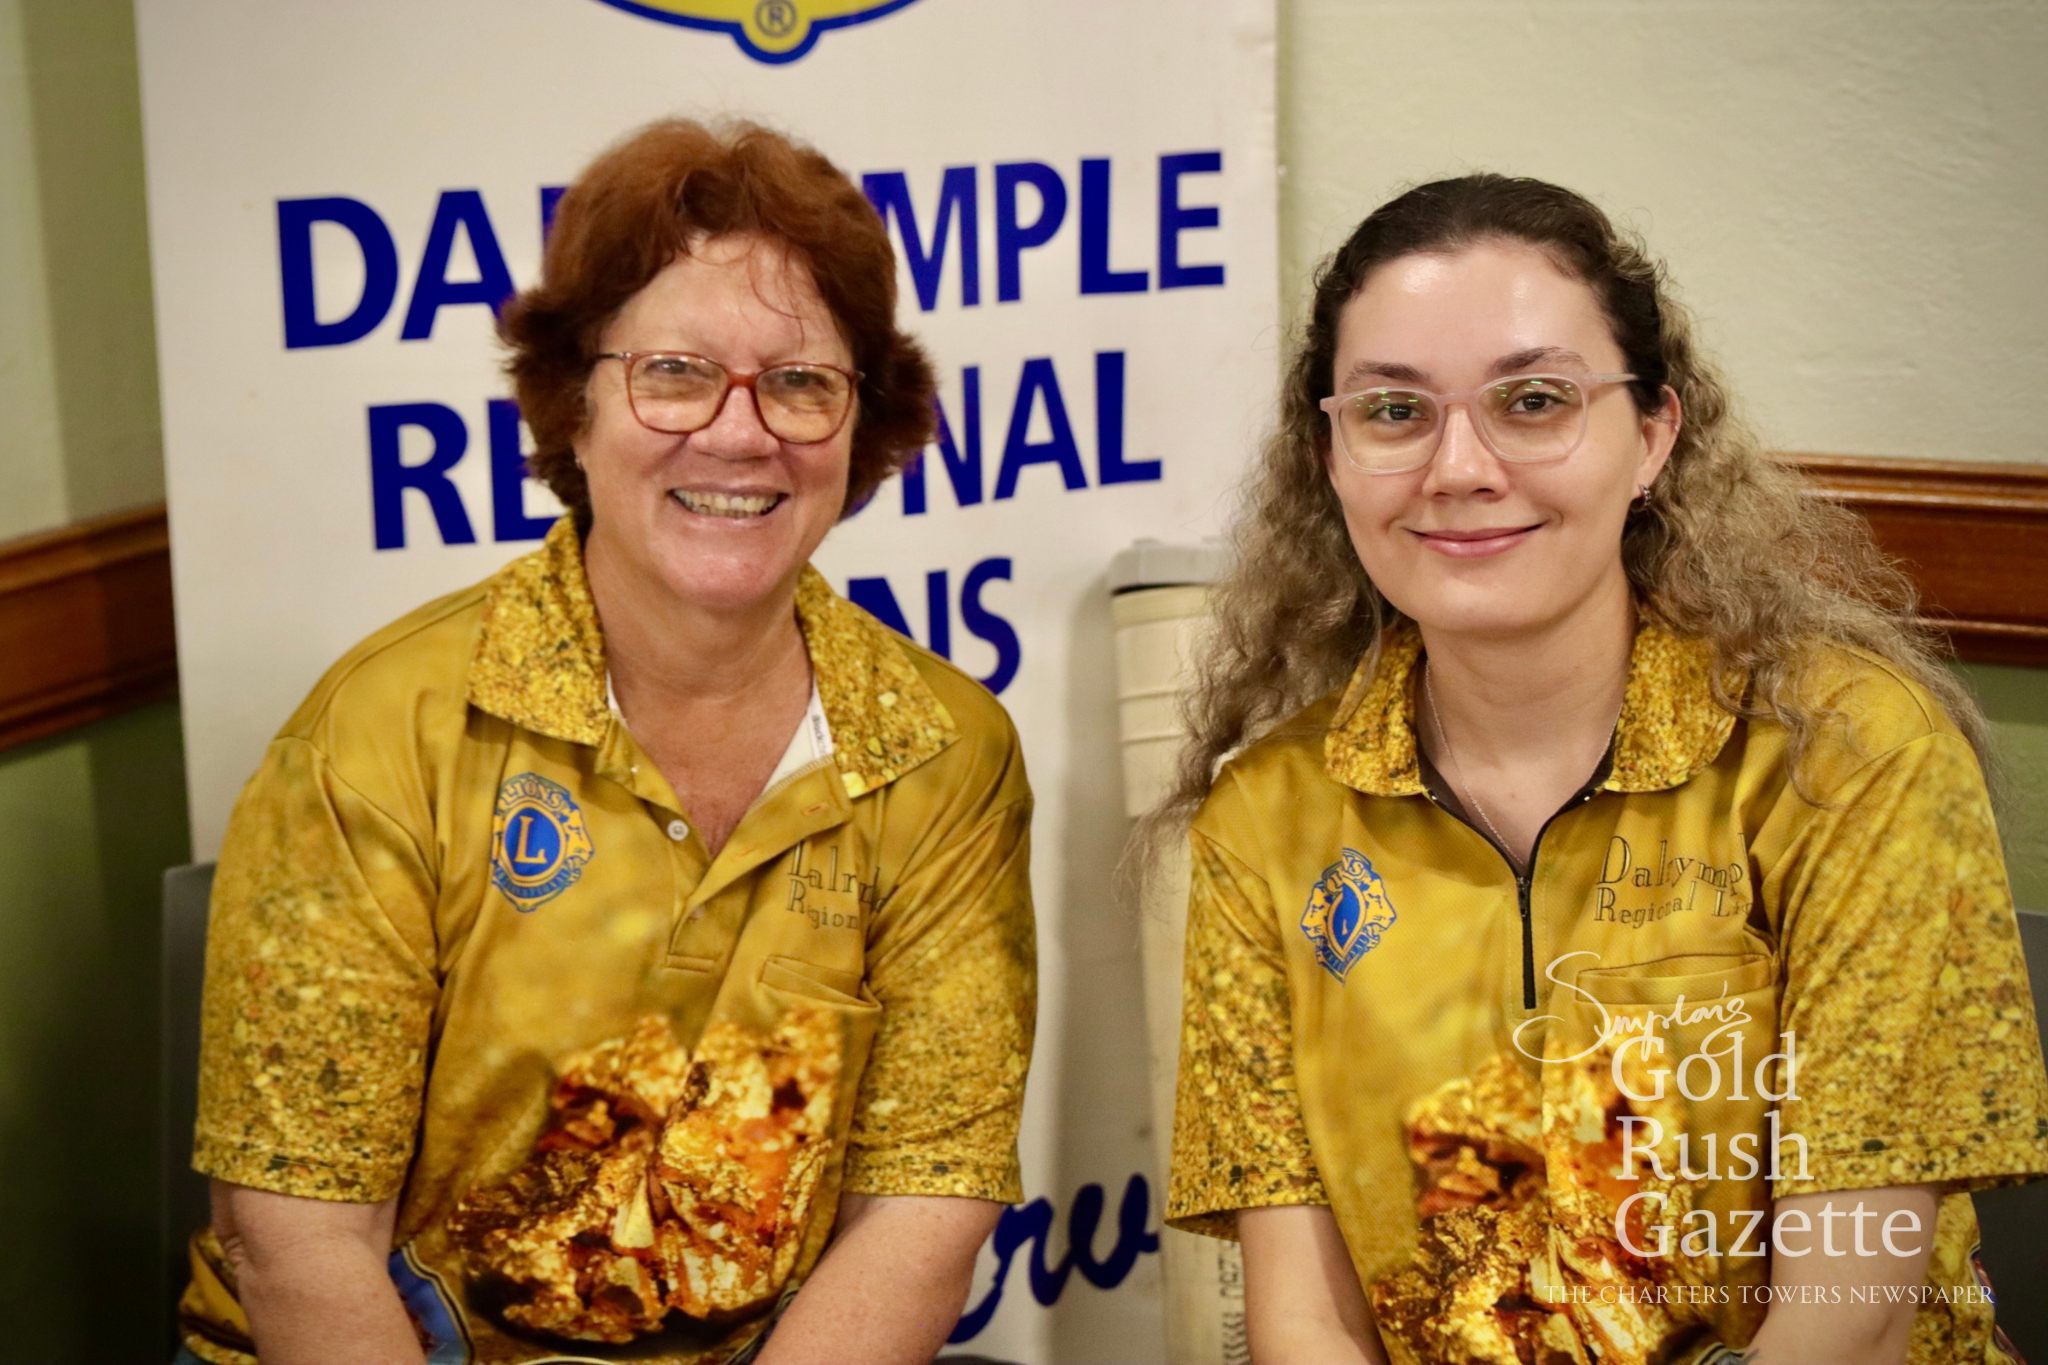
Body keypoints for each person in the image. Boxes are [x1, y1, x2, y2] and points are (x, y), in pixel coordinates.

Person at [179, 119, 1036, 1365]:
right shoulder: (382, 731)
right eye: (676, 373)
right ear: (573, 404)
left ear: (863, 424)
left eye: (800, 383)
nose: (741, 437)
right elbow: (292, 1234)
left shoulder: (944, 751)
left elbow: (924, 1201)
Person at [1155, 174, 2048, 1364]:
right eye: (1391, 413)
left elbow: (1857, 1315)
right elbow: (1301, 1318)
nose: (1457, 468)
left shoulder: (1845, 753)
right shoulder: (1267, 814)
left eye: (1532, 402)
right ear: (1329, 454)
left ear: (1652, 437)